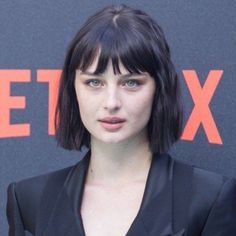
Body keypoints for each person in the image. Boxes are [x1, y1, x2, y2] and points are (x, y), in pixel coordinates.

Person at [6, 4, 236, 236]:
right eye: (94, 82)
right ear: (72, 89)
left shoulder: (209, 198)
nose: (111, 102)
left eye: (131, 82)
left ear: (160, 88)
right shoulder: (29, 199)